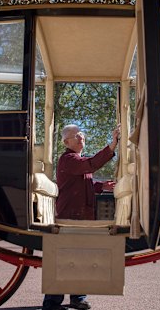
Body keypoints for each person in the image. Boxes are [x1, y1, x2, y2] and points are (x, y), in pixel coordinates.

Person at [42, 124, 120, 310]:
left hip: (79, 214)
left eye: (82, 134)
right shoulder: (68, 159)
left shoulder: (75, 160)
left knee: (80, 256)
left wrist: (102, 187)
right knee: (65, 257)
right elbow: (90, 165)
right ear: (66, 142)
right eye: (77, 136)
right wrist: (111, 147)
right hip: (71, 216)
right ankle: (52, 302)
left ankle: (77, 298)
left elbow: (85, 183)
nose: (81, 137)